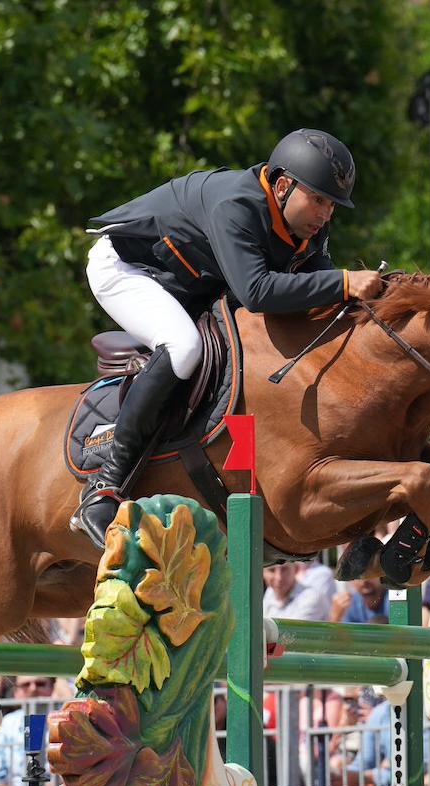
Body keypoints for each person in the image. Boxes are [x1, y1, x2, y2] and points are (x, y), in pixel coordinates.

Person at [76, 128, 380, 546]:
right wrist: (345, 282)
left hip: (190, 281)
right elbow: (256, 292)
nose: (326, 213)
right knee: (184, 347)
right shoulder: (236, 204)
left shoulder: (307, 226)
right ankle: (104, 488)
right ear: (284, 185)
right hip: (128, 269)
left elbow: (315, 297)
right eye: (320, 199)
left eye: (332, 204)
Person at [263, 561, 336, 621]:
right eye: (271, 570)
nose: (279, 577)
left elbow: (289, 636)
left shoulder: (311, 598)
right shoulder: (270, 592)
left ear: (296, 569)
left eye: (284, 569)